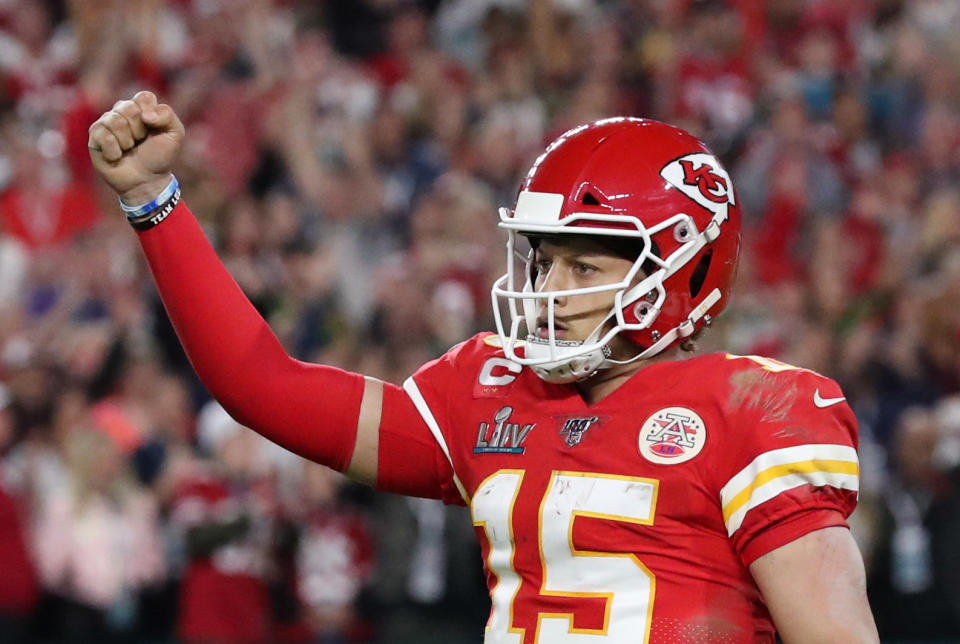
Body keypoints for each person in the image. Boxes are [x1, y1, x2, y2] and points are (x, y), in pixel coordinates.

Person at [88, 91, 879, 643]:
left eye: (585, 267)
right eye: (546, 262)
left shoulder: (759, 408)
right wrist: (155, 203)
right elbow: (260, 386)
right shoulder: (492, 389)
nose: (550, 291)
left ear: (680, 273)